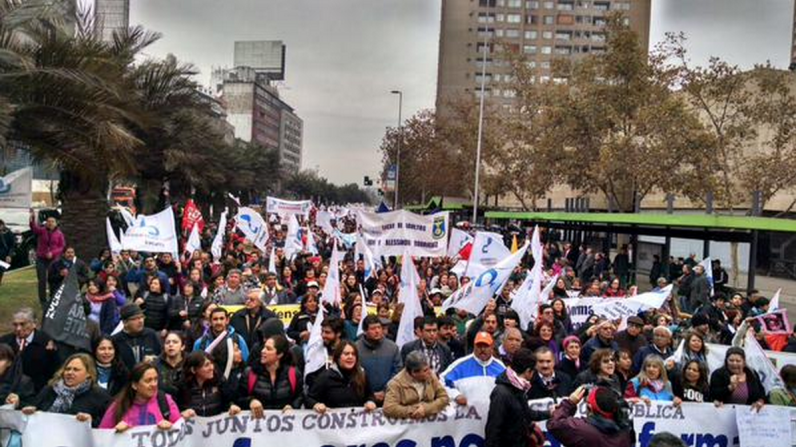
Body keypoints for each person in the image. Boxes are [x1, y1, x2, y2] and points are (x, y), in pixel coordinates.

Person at [484, 348, 550, 447]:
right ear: (528, 371)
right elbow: (493, 429)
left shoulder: (520, 388)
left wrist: (550, 413)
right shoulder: (501, 393)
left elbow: (527, 413)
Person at [22, 353, 111, 428]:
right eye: (68, 369)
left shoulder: (100, 396)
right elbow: (34, 407)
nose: (70, 373)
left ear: (88, 374)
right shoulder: (50, 389)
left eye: (76, 370)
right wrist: (29, 410)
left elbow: (106, 425)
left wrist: (90, 421)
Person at [99, 362, 182, 431]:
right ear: (134, 385)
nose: (154, 384)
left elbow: (181, 434)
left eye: (156, 379)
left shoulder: (165, 401)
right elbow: (102, 438)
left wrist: (171, 427)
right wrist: (115, 432)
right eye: (148, 381)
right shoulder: (118, 406)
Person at [547, 385, 635, 447]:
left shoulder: (582, 430)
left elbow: (555, 424)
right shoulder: (625, 430)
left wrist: (569, 403)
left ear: (590, 407)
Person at [237, 335, 303, 415]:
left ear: (280, 355)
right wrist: (251, 401)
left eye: (268, 349)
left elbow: (300, 396)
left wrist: (292, 406)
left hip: (285, 424)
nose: (263, 351)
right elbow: (238, 398)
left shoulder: (293, 374)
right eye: (264, 347)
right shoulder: (249, 373)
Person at [306, 341, 377, 412]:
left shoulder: (362, 375)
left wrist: (371, 402)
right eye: (346, 354)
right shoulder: (325, 377)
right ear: (338, 357)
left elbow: (370, 396)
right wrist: (316, 405)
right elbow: (309, 399)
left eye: (353, 354)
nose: (350, 357)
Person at [440, 331, 506, 407]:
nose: (482, 349)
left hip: (493, 417)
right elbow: (441, 382)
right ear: (474, 346)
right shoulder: (460, 365)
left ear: (492, 347)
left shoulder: (500, 367)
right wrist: (455, 395)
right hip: (467, 417)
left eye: (486, 346)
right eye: (479, 346)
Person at [0, 308, 58, 392]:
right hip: (6, 389)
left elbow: (53, 368)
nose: (18, 328)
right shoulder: (4, 341)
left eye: (22, 324)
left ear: (34, 324)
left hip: (35, 391)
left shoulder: (46, 342)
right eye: (15, 325)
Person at [383, 351, 449, 419]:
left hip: (429, 425)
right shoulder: (395, 384)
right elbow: (389, 408)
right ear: (414, 373)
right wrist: (413, 410)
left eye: (429, 368)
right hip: (406, 426)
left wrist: (426, 409)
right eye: (425, 370)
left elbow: (444, 397)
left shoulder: (431, 376)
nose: (429, 372)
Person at [178, 351, 241, 417]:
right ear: (193, 370)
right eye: (206, 365)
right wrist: (182, 414)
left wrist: (231, 406)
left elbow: (228, 401)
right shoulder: (181, 388)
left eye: (211, 363)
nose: (211, 368)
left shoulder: (219, 382)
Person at [356, 315, 402, 406]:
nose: (377, 331)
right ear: (365, 331)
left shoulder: (392, 347)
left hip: (389, 397)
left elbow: (398, 371)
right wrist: (369, 394)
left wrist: (385, 391)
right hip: (363, 399)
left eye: (379, 328)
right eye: (373, 329)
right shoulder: (356, 348)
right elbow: (354, 373)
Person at [30, 209, 66, 308]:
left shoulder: (59, 234)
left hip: (53, 259)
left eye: (52, 222)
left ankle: (53, 297)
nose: (50, 223)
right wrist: (32, 218)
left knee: (52, 279)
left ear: (56, 223)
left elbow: (62, 246)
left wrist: (53, 253)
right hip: (41, 258)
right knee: (42, 279)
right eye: (48, 222)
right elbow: (34, 228)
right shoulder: (42, 231)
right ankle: (43, 300)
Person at [111, 303, 162, 370]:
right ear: (125, 322)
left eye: (142, 317)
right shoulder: (116, 340)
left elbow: (161, 356)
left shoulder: (151, 334)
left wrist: (154, 359)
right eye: (135, 318)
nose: (140, 321)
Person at [0, 344, 35, 409]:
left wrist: (18, 403)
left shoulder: (23, 382)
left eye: (0, 359)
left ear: (9, 362)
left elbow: (32, 406)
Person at [154, 332, 186, 397]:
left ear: (182, 347)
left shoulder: (189, 362)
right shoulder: (155, 365)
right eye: (167, 342)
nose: (171, 345)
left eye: (175, 342)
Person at [0, 219, 16, 285]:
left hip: (4, 256)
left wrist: (9, 255)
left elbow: (12, 246)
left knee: (1, 272)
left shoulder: (8, 233)